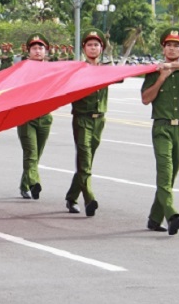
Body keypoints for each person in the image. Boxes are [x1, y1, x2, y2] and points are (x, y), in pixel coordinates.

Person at [141, 28, 179, 236]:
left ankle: (154, 218)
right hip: (162, 127)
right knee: (165, 173)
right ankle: (171, 214)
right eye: (169, 45)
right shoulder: (154, 72)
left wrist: (173, 66)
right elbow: (145, 99)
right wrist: (162, 77)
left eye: (177, 46)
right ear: (163, 48)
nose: (172, 48)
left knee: (171, 175)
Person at [65, 28, 109, 217]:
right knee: (84, 159)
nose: (93, 48)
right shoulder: (78, 70)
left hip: (99, 120)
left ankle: (71, 197)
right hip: (82, 119)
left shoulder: (107, 69)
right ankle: (89, 198)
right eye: (89, 45)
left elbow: (123, 77)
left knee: (87, 162)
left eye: (96, 45)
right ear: (84, 48)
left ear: (102, 48)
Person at [18, 33, 52, 200]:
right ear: (28, 51)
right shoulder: (22, 69)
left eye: (41, 48)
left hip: (45, 118)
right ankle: (34, 183)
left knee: (37, 154)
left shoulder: (52, 70)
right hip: (26, 118)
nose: (37, 51)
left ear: (46, 51)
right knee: (31, 153)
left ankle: (24, 184)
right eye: (34, 48)